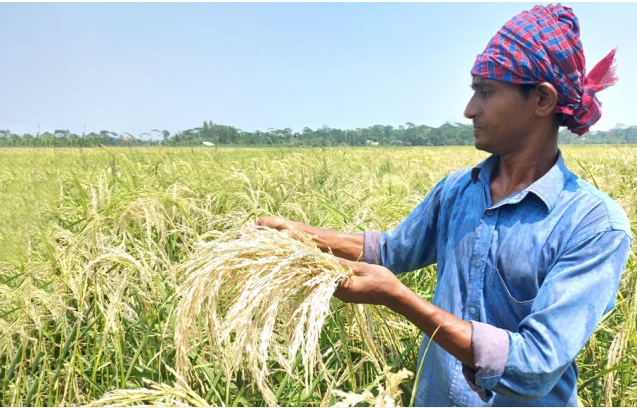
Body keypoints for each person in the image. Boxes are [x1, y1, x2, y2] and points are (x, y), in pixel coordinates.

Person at [257, 4, 632, 406]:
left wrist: (400, 299)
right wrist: (299, 234)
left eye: (485, 92)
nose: (470, 109)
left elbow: (536, 365)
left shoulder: (593, 225)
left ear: (541, 99)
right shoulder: (458, 190)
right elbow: (390, 251)